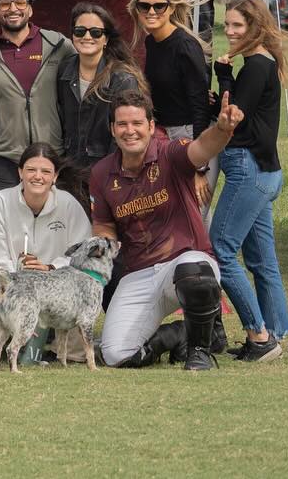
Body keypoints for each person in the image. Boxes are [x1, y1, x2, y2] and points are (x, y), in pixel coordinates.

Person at [92, 89, 243, 371]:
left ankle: (199, 350)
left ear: (151, 126)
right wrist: (105, 245)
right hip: (138, 273)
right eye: (122, 124)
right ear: (112, 129)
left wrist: (222, 129)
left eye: (137, 123)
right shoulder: (101, 173)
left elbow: (202, 148)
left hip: (184, 262)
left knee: (195, 273)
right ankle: (176, 334)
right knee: (115, 355)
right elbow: (103, 222)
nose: (130, 131)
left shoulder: (170, 153)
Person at [208, 0, 288, 361]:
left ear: (255, 27)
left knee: (220, 250)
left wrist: (224, 76)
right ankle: (275, 332)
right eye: (226, 24)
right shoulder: (264, 63)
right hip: (264, 172)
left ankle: (259, 336)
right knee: (262, 260)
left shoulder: (256, 66)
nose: (229, 31)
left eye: (237, 26)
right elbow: (243, 112)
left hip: (249, 170)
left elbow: (235, 119)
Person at [0, 0, 74, 213]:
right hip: (2, 160)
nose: (13, 9)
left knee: (55, 226)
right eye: (5, 4)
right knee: (0, 224)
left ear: (30, 9)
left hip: (50, 156)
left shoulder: (58, 45)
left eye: (19, 2)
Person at [0, 143, 92, 364]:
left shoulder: (69, 205)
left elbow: (82, 255)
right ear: (20, 172)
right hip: (13, 289)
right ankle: (31, 340)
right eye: (31, 170)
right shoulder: (1, 201)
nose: (37, 177)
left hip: (57, 293)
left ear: (55, 176)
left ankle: (51, 346)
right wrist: (24, 283)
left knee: (77, 326)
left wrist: (51, 269)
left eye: (46, 171)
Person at [57, 2, 146, 179]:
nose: (87, 36)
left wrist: (112, 177)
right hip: (69, 172)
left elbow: (126, 134)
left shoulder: (122, 79)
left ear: (105, 39)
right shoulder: (63, 71)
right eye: (80, 31)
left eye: (96, 32)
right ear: (73, 36)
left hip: (107, 173)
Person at [129, 0, 210, 141]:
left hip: (186, 133)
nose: (151, 12)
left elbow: (200, 104)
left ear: (172, 8)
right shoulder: (151, 41)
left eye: (159, 6)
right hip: (160, 131)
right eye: (144, 6)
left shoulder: (185, 45)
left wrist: (199, 151)